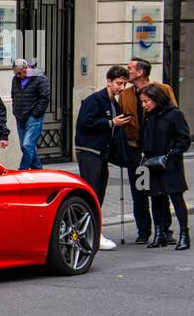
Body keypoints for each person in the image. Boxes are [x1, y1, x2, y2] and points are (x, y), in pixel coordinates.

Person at [118, 57, 178, 245]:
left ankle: (164, 230)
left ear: (140, 72)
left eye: (129, 68)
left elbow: (173, 115)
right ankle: (143, 230)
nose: (126, 71)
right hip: (135, 149)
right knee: (140, 191)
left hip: (157, 151)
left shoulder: (162, 89)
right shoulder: (126, 94)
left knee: (159, 191)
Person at [74, 65, 131, 250]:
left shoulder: (112, 102)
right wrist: (110, 122)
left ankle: (92, 230)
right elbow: (84, 123)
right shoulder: (95, 100)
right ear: (108, 81)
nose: (121, 88)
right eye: (118, 84)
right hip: (90, 151)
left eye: (123, 84)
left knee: (99, 192)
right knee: (93, 192)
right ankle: (90, 232)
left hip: (101, 152)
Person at [137, 84, 190, 250]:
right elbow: (142, 139)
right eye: (142, 101)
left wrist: (172, 156)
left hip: (170, 164)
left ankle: (184, 235)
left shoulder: (175, 114)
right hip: (152, 163)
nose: (144, 105)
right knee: (155, 198)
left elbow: (184, 139)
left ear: (156, 98)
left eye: (146, 101)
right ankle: (159, 234)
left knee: (176, 198)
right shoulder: (148, 117)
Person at [9, 58, 50, 170]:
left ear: (26, 68)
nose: (17, 75)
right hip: (20, 117)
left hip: (33, 118)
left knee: (28, 145)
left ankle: (21, 171)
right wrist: (15, 110)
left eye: (19, 73)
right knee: (25, 147)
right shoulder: (15, 79)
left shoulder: (40, 78)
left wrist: (36, 114)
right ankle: (39, 172)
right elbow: (13, 95)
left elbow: (45, 98)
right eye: (15, 73)